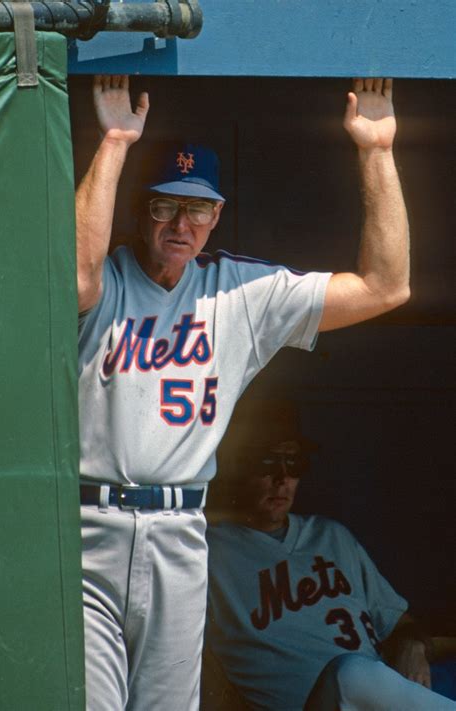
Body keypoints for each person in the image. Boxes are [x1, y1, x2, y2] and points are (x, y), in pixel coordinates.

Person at [76, 74, 410, 710]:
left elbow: (384, 287)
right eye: (165, 205)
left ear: (217, 215)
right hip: (92, 518)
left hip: (181, 525)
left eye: (197, 208)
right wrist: (115, 142)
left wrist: (377, 150)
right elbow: (74, 275)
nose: (181, 224)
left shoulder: (238, 295)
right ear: (140, 209)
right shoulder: (108, 281)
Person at [203, 400, 456, 711]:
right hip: (316, 702)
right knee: (348, 673)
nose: (283, 479)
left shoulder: (332, 535)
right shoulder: (209, 552)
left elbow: (400, 623)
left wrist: (414, 646)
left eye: (293, 464)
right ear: (238, 465)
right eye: (267, 462)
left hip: (382, 699)